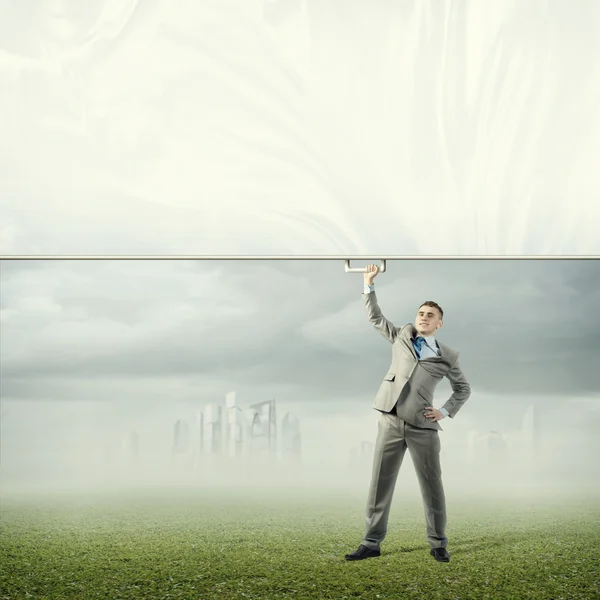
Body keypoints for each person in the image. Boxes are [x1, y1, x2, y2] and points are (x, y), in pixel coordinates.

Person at [345, 264, 471, 563]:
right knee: (380, 483)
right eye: (421, 313)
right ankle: (371, 543)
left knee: (432, 485)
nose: (423, 317)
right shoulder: (402, 335)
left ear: (440, 323)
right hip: (390, 419)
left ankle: (438, 543)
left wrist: (443, 411)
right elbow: (375, 317)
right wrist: (368, 283)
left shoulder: (447, 356)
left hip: (423, 427)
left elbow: (463, 389)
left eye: (430, 315)